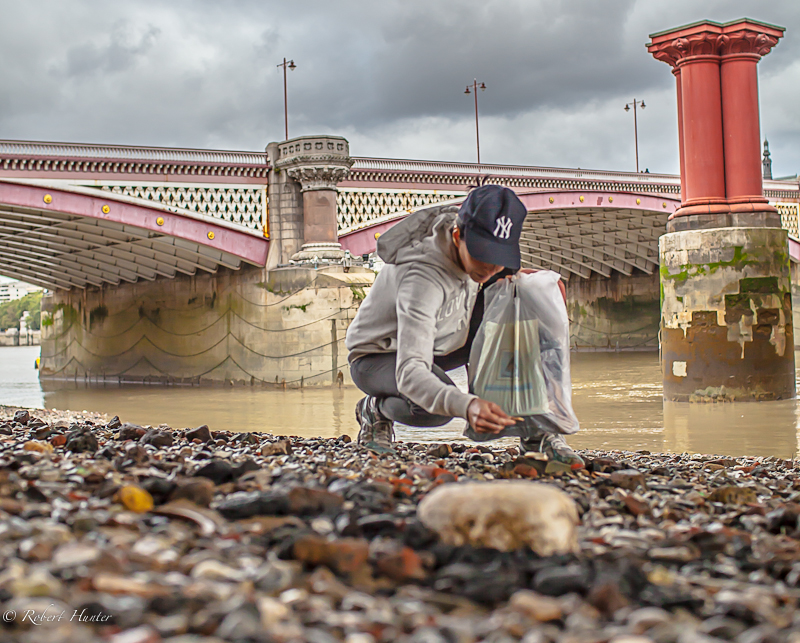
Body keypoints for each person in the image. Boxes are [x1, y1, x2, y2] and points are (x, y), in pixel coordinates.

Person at [345, 185, 583, 466]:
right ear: (457, 235)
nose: (492, 266)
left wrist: (543, 292)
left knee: (530, 297)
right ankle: (375, 410)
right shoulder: (422, 277)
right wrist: (467, 405)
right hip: (380, 356)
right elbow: (411, 372)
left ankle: (539, 431)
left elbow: (511, 279)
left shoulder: (487, 261)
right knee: (434, 411)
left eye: (500, 257)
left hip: (443, 343)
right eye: (483, 254)